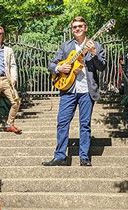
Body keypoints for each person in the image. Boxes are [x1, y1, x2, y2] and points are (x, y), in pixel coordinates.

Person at [42, 16, 106, 167]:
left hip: (87, 91)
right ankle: (60, 157)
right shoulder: (66, 46)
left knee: (85, 124)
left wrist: (94, 53)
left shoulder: (95, 45)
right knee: (62, 122)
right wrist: (59, 68)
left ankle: (84, 157)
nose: (77, 29)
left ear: (86, 28)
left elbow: (102, 66)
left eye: (80, 26)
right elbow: (51, 64)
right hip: (68, 90)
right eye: (74, 27)